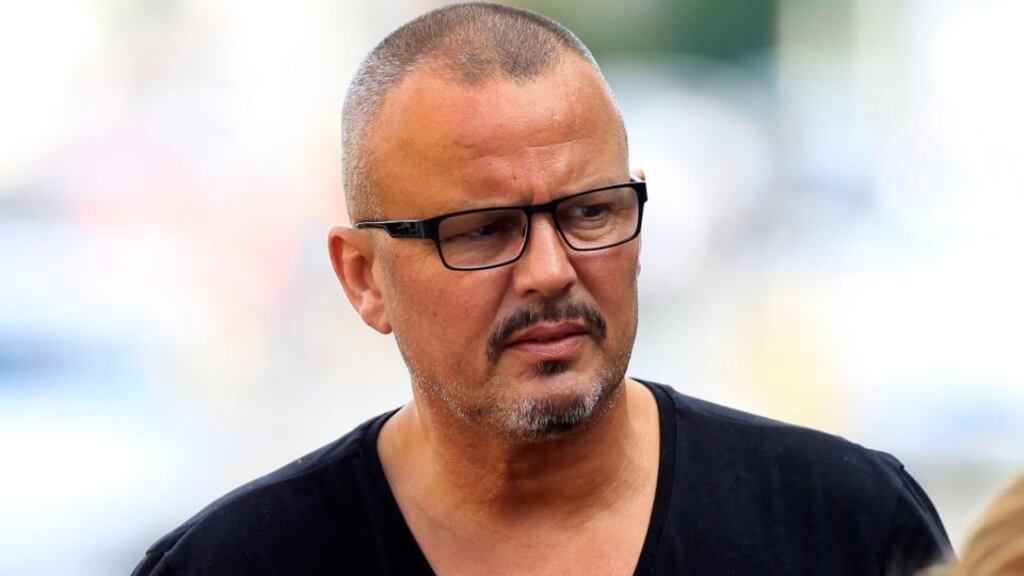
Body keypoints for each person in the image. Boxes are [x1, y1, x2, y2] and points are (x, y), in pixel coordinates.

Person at [132, 3, 952, 574]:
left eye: (590, 212)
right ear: (363, 278)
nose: (552, 269)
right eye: (484, 230)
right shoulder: (241, 561)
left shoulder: (843, 525)